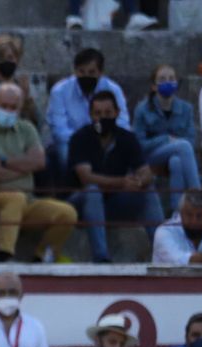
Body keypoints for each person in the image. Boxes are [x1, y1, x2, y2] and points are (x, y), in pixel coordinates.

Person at [0, 84, 77, 263]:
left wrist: (4, 162)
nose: (8, 111)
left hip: (26, 201)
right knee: (14, 197)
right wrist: (24, 168)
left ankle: (42, 258)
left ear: (20, 108)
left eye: (13, 107)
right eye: (4, 106)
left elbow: (39, 162)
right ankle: (5, 256)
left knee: (67, 213)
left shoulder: (27, 129)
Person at [68, 89, 164, 263]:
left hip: (113, 203)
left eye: (107, 113)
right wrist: (122, 182)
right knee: (92, 191)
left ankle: (163, 252)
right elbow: (86, 178)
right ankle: (101, 258)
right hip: (80, 204)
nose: (102, 118)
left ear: (117, 113)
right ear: (90, 115)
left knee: (148, 190)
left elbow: (145, 171)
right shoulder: (80, 138)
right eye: (98, 113)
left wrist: (139, 181)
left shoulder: (127, 138)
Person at [45, 47, 129, 180]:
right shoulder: (60, 91)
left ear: (100, 72)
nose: (86, 76)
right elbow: (59, 130)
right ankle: (71, 188)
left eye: (91, 72)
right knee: (65, 152)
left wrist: (102, 141)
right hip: (71, 141)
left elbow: (123, 123)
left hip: (106, 139)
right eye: (81, 72)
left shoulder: (113, 90)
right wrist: (86, 142)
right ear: (75, 71)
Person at [134, 64, 202, 215]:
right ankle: (199, 200)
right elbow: (139, 144)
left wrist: (175, 143)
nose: (168, 82)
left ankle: (176, 212)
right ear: (153, 86)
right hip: (151, 155)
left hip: (178, 154)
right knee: (183, 145)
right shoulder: (143, 109)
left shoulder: (186, 108)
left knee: (176, 161)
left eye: (171, 79)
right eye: (162, 79)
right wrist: (165, 139)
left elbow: (192, 140)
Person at [0, 33, 42, 134]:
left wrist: (26, 100)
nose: (5, 62)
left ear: (17, 60)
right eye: (1, 58)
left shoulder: (27, 87)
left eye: (10, 58)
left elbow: (37, 126)